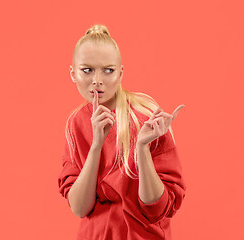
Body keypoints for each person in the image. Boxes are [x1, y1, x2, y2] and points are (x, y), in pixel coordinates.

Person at [58, 24, 187, 240]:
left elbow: (156, 209)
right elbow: (80, 208)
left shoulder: (146, 115)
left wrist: (142, 149)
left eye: (108, 70)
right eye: (87, 70)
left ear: (120, 73)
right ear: (73, 74)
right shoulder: (76, 123)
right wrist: (96, 145)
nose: (97, 80)